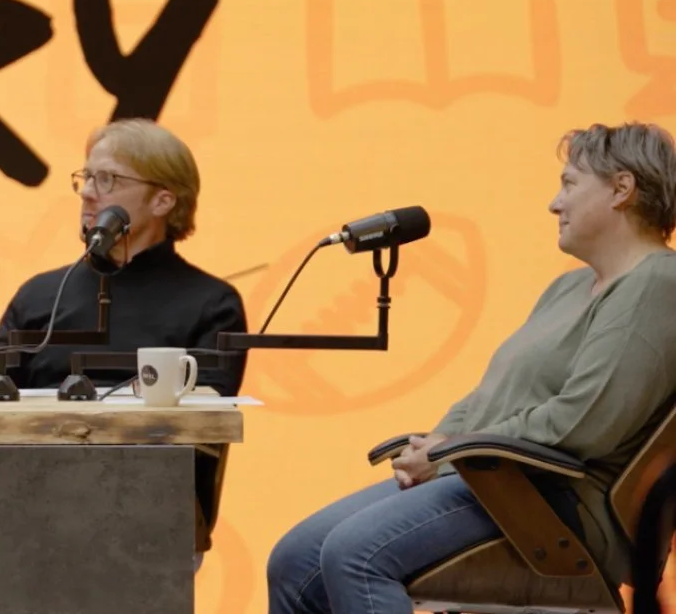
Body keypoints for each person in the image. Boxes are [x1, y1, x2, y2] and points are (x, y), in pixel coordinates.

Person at [266, 122, 676, 614]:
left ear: (621, 190)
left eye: (569, 185)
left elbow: (584, 422)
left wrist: (447, 453)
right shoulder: (567, 288)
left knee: (356, 555)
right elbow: (491, 397)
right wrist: (436, 444)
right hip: (487, 475)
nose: (554, 203)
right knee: (293, 560)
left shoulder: (657, 283)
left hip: (550, 500)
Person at [0, 118, 249, 396]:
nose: (87, 193)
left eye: (107, 180)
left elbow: (209, 419)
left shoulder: (212, 304)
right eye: (87, 177)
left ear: (162, 201)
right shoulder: (40, 295)